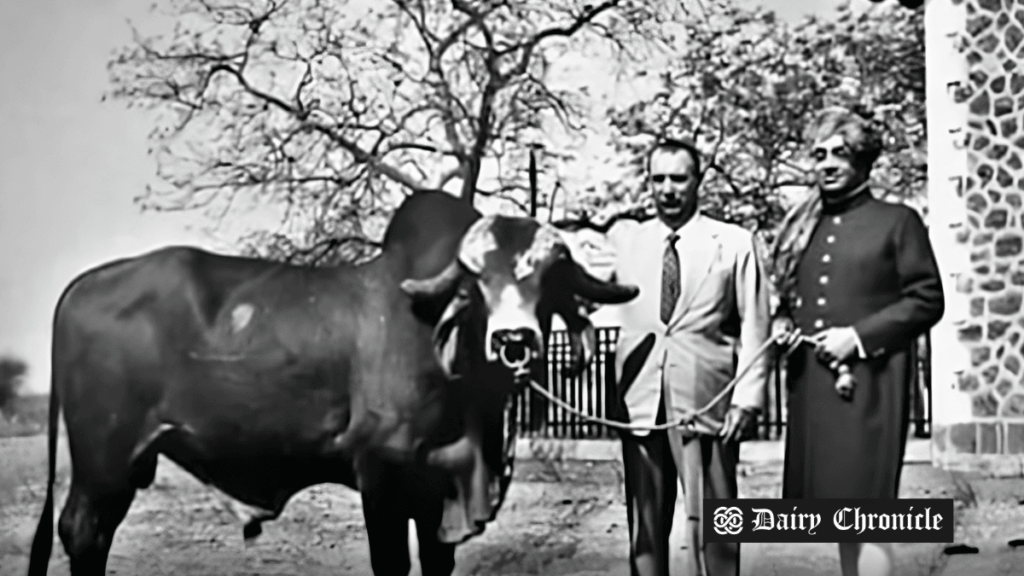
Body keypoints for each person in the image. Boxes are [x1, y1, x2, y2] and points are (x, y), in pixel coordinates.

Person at [768, 107, 945, 576]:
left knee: (866, 512)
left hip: (869, 386)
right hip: (813, 389)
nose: (826, 164)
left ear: (863, 162)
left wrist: (858, 337)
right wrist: (784, 322)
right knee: (836, 516)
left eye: (839, 155)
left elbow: (928, 300)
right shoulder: (801, 228)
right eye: (819, 154)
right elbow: (791, 296)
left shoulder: (898, 221)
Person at [596, 137, 771, 576]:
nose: (668, 189)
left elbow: (756, 326)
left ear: (698, 181)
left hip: (708, 401)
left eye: (679, 178)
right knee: (646, 530)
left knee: (719, 523)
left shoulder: (732, 242)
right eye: (658, 179)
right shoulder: (627, 242)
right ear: (648, 183)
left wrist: (748, 399)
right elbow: (592, 305)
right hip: (641, 402)